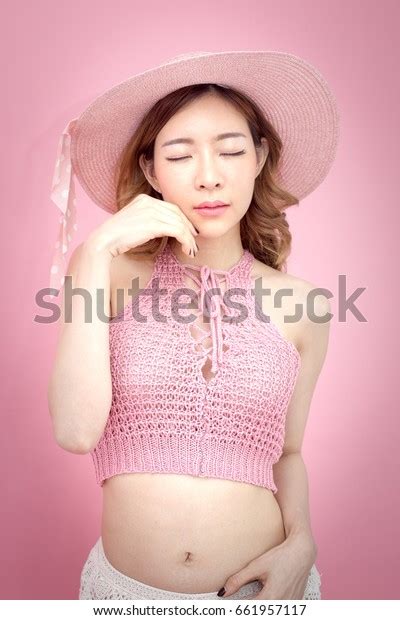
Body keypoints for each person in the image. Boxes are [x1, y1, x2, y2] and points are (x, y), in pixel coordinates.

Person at [47, 50, 339, 600]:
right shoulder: (106, 274)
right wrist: (93, 251)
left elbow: (290, 453)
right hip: (125, 595)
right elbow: (75, 430)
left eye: (230, 150)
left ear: (259, 157)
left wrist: (302, 542)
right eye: (180, 157)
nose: (209, 177)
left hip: (261, 594)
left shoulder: (306, 305)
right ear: (150, 171)